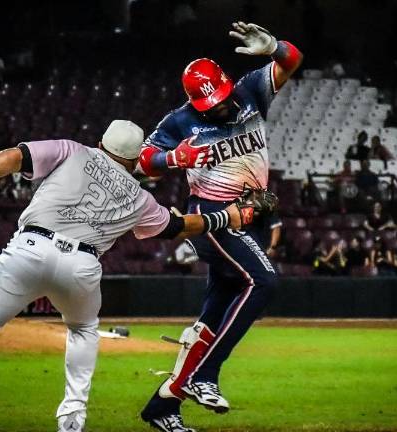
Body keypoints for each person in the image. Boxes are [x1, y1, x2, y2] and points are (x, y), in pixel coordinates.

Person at [0, 120, 251, 432]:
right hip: (83, 266)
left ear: (102, 144)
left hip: (31, 247)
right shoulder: (139, 196)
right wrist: (230, 215)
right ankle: (72, 417)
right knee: (83, 331)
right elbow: (179, 227)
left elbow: (15, 157)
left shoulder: (72, 149)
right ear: (134, 161)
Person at [136, 21, 302, 431]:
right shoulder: (180, 121)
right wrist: (174, 159)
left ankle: (162, 406)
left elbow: (293, 61)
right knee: (263, 281)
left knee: (214, 313)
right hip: (215, 216)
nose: (221, 107)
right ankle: (203, 376)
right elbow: (144, 160)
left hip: (254, 214)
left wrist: (275, 47)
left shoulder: (249, 91)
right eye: (211, 104)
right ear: (194, 101)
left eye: (222, 98)